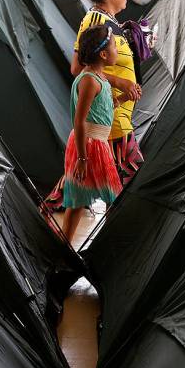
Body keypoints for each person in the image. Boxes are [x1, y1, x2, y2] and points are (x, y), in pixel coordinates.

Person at [72, 0, 144, 185]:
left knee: (113, 184)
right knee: (126, 181)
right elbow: (78, 68)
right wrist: (120, 83)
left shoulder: (108, 20)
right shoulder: (94, 20)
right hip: (111, 121)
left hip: (118, 114)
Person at [60, 25, 124, 244]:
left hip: (98, 143)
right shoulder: (88, 80)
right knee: (81, 199)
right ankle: (66, 248)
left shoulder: (100, 78)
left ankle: (102, 244)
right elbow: (79, 120)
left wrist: (125, 98)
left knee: (105, 197)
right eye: (115, 46)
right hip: (88, 146)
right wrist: (82, 158)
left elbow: (102, 111)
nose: (118, 50)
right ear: (103, 54)